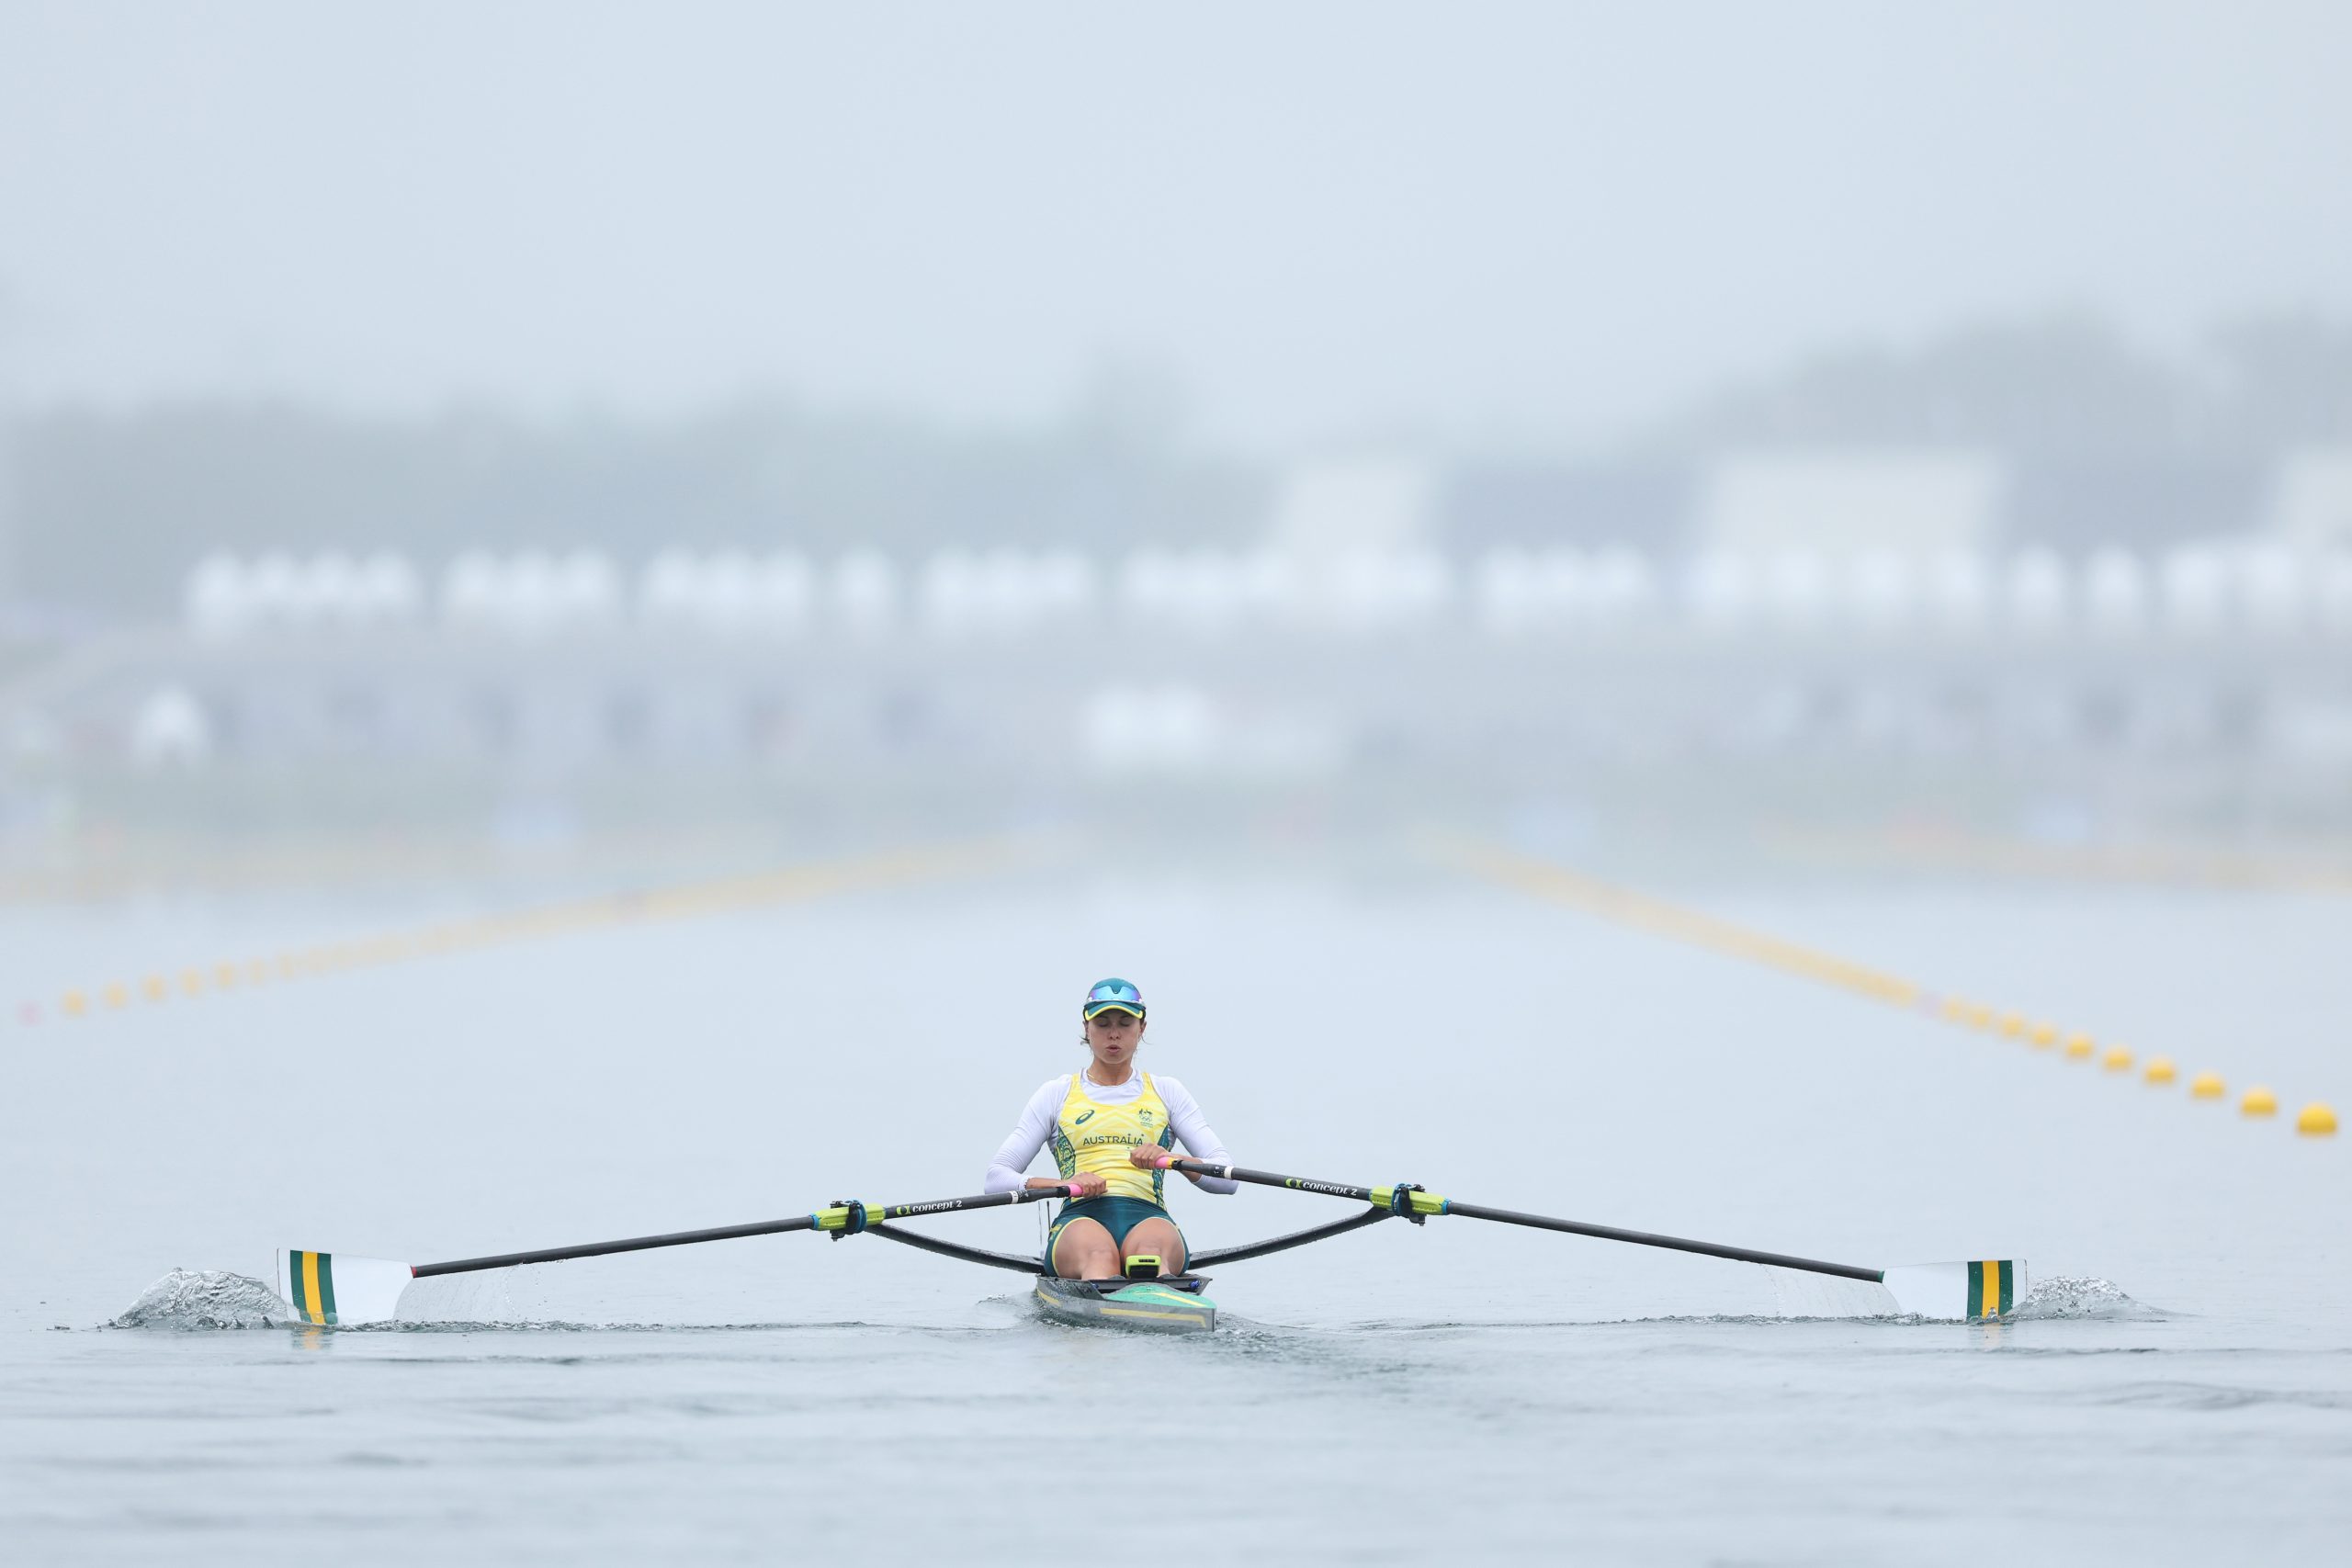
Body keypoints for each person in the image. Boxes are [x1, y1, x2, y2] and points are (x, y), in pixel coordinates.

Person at [984, 977, 1237, 1279]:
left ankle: (1147, 1296)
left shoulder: (1168, 1092)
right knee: (1099, 1257)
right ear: (1086, 1029)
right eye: (1102, 1024)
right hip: (1080, 1218)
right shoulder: (1056, 1094)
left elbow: (1226, 1178)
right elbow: (996, 1178)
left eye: (1125, 1023)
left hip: (1148, 1217)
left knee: (1149, 1255)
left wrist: (1172, 1160)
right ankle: (1113, 1298)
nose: (1113, 1034)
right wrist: (1065, 1184)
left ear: (1141, 1028)